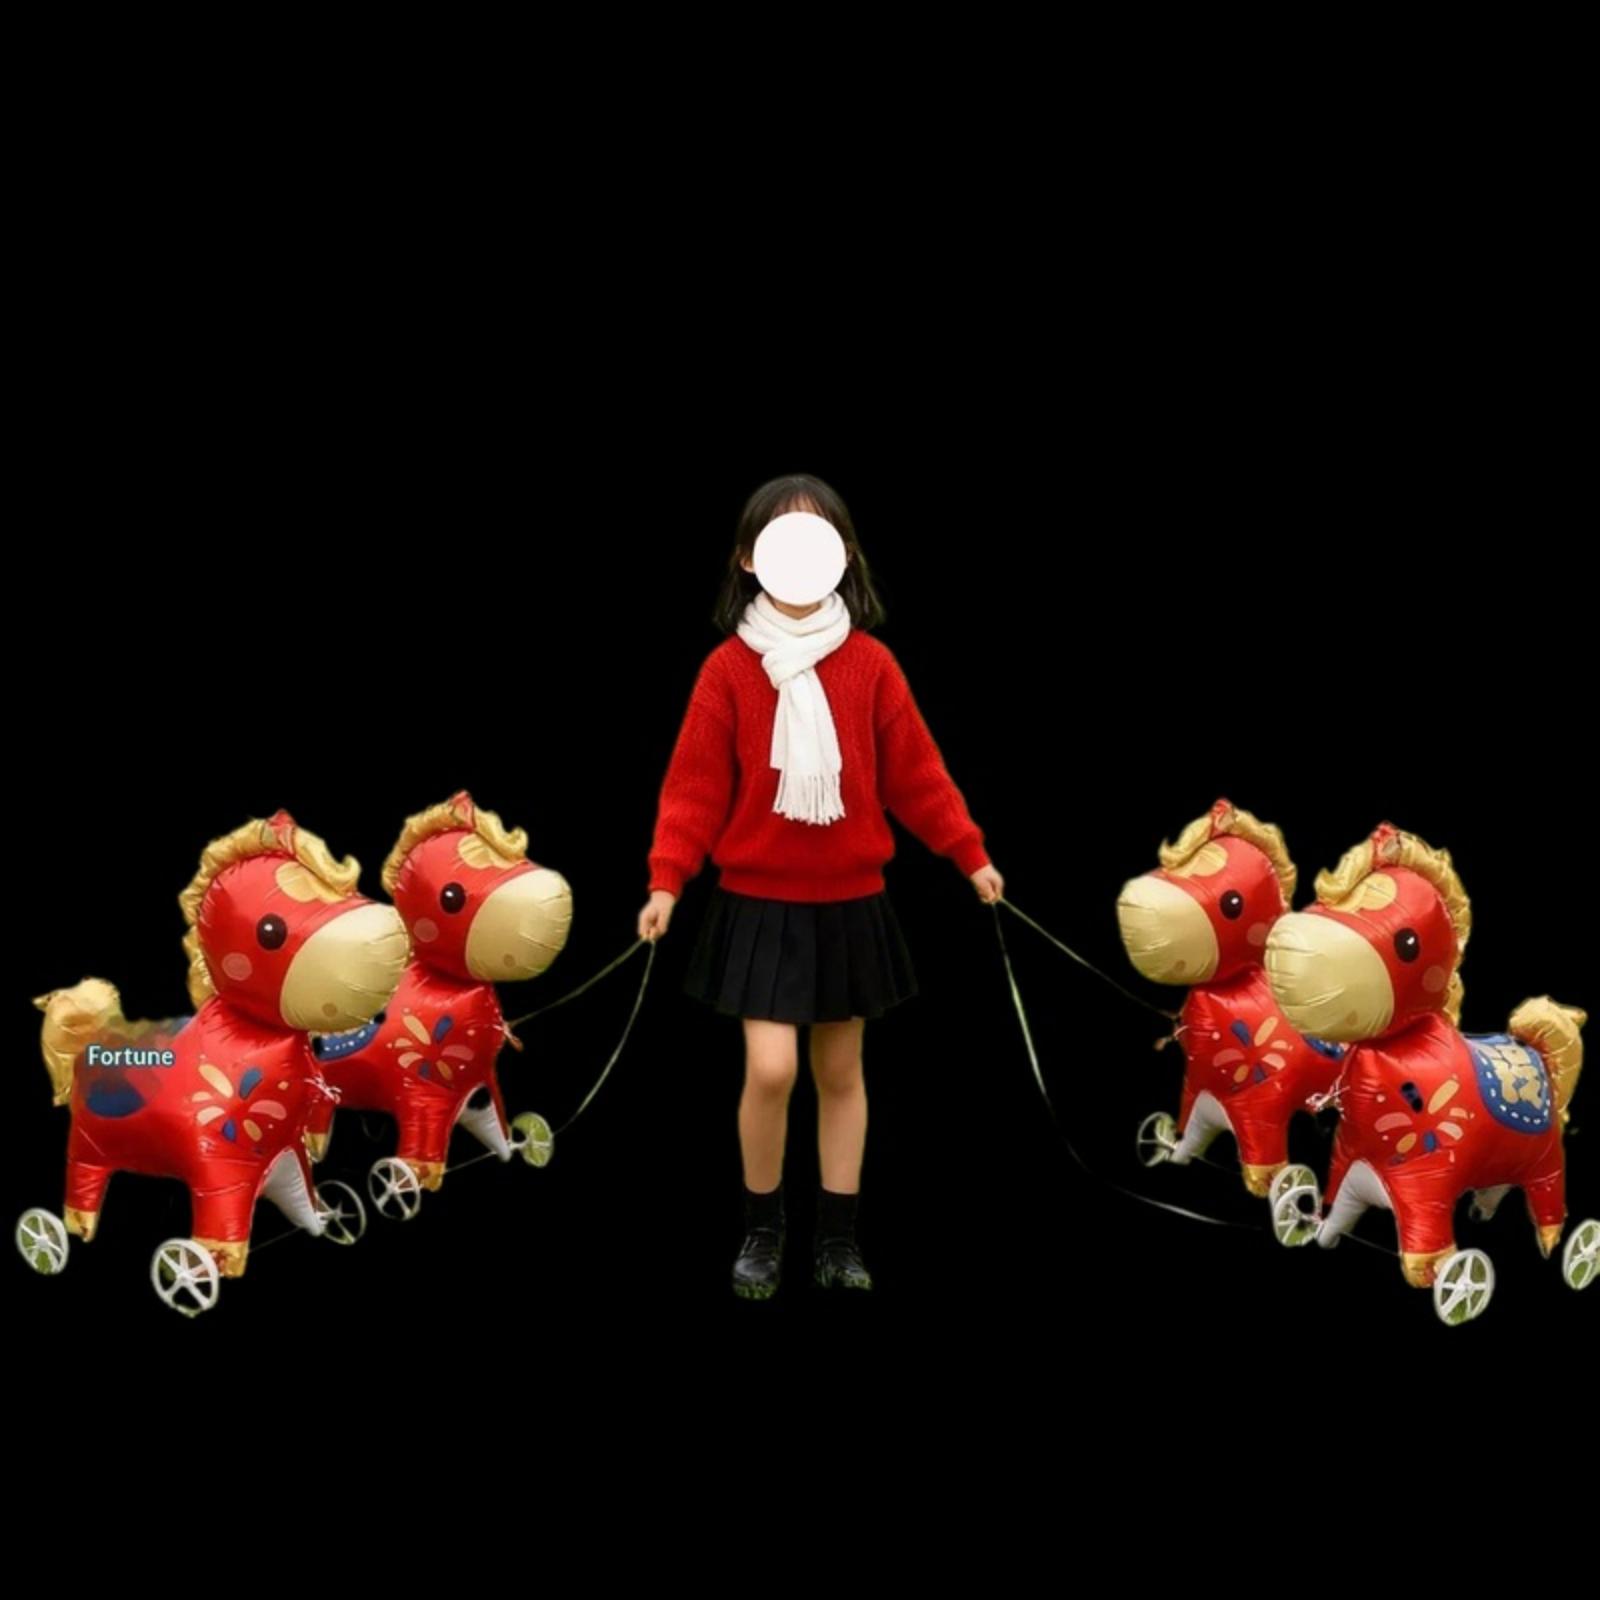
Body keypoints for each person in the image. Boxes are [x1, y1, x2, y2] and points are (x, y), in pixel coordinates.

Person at [638, 472, 1003, 1299]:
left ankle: (838, 1239)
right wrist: (667, 881)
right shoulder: (728, 671)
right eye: (782, 540)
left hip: (849, 902)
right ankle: (763, 1229)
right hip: (757, 902)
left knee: (841, 1073)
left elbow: (916, 775)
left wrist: (968, 854)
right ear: (748, 559)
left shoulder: (870, 665)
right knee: (771, 1070)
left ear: (843, 556)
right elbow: (694, 790)